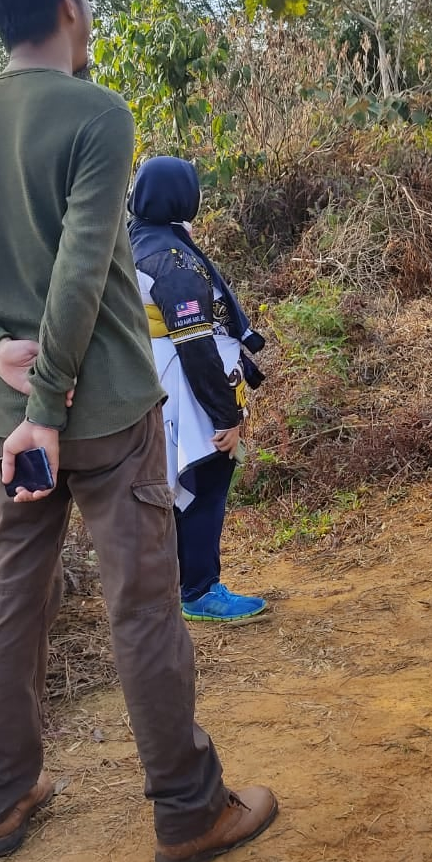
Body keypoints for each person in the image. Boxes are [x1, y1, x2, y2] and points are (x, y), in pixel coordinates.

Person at [0, 0, 277, 862]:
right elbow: (81, 273)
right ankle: (189, 810)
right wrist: (48, 397)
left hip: (11, 433)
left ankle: (2, 800)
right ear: (71, 5)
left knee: (12, 604)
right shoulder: (98, 114)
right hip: (108, 414)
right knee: (144, 604)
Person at [128, 157, 268, 625]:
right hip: (188, 388)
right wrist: (227, 415)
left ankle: (177, 586)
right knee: (206, 477)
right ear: (182, 197)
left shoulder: (132, 241)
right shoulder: (171, 260)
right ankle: (201, 589)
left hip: (151, 380)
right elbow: (196, 346)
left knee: (173, 484)